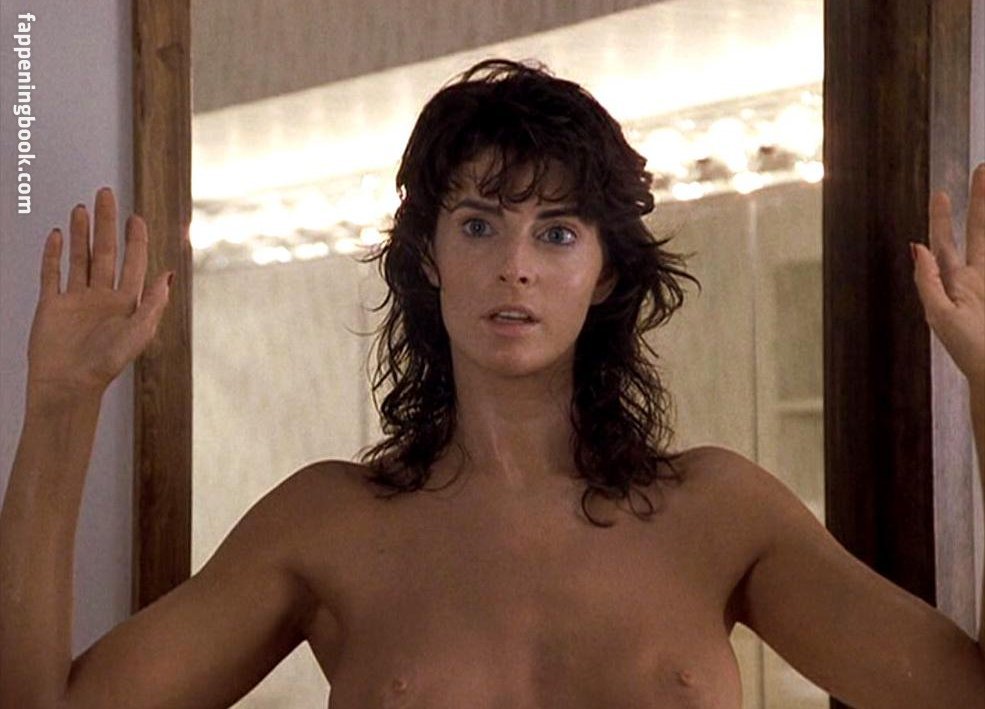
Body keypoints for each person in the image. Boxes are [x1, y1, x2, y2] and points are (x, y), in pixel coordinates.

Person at [1, 58, 982, 708]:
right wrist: (59, 406)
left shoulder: (720, 511)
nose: (514, 266)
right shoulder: (326, 524)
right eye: (478, 224)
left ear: (605, 271)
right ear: (429, 256)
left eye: (555, 232)